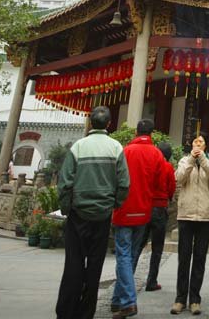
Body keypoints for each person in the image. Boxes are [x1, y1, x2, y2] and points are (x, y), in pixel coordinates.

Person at [56, 106, 129, 319]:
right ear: (109, 124)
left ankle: (66, 311)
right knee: (95, 265)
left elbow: (65, 182)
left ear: (90, 123)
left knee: (73, 263)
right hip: (102, 215)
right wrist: (114, 204)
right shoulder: (116, 148)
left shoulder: (78, 147)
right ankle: (86, 312)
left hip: (78, 213)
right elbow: (124, 183)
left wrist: (67, 207)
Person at [112, 118, 171, 318]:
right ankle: (117, 299)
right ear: (152, 133)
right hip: (144, 211)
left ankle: (126, 300)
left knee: (125, 255)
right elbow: (159, 182)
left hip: (124, 209)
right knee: (129, 254)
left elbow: (116, 178)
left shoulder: (126, 150)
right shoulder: (156, 154)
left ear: (136, 132)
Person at [171, 131, 209, 316]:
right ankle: (179, 299)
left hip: (205, 217)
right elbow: (179, 178)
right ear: (192, 145)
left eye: (201, 142)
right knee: (183, 259)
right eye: (196, 141)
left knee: (199, 259)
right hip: (186, 215)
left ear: (206, 145)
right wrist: (192, 159)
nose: (198, 144)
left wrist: (203, 160)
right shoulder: (185, 160)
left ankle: (194, 299)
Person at [139, 140, 177, 292]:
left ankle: (127, 278)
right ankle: (151, 280)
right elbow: (171, 188)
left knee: (138, 244)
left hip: (146, 207)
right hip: (160, 209)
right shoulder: (168, 167)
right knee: (157, 247)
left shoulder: (149, 164)